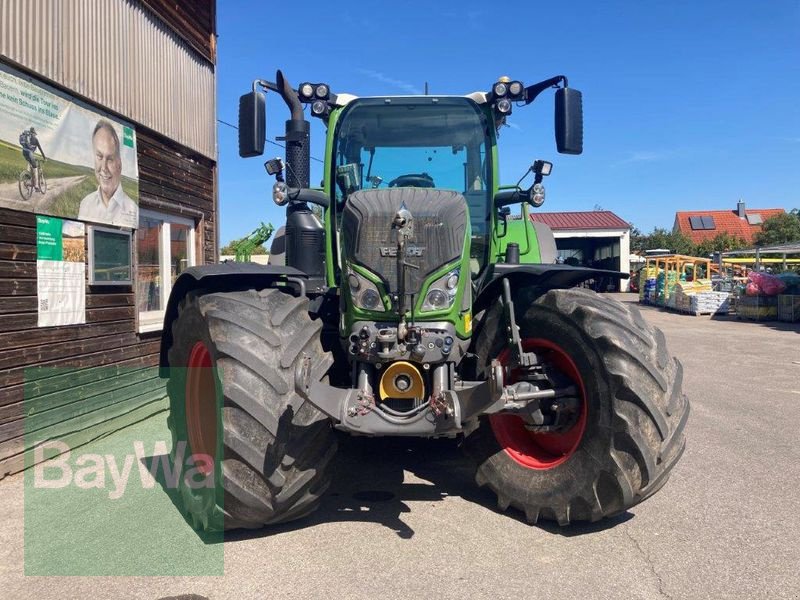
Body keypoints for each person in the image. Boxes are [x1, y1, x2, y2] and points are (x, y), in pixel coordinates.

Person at [78, 120, 137, 228]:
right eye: (99, 157)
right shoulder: (85, 204)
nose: (104, 168)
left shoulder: (133, 209)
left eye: (110, 159)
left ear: (119, 164)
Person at [19, 127, 46, 191]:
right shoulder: (35, 139)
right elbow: (40, 149)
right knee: (35, 168)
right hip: (30, 154)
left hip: (24, 152)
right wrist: (44, 158)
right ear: (33, 133)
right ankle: (36, 186)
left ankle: (27, 178)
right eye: (34, 134)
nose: (34, 135)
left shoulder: (26, 137)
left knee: (29, 163)